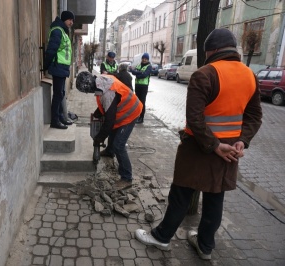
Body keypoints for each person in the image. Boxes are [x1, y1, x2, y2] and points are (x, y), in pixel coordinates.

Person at [134, 28, 262, 260]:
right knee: (215, 197)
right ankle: (205, 246)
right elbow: (254, 116)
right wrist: (242, 140)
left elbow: (195, 118)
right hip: (230, 151)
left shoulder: (205, 74)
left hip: (198, 148)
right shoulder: (249, 75)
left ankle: (162, 237)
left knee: (181, 194)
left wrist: (213, 145)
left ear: (211, 50)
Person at [76, 71, 143, 185]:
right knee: (113, 132)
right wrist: (98, 112)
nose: (88, 93)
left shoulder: (107, 93)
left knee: (119, 145)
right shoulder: (101, 80)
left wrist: (99, 138)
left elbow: (109, 122)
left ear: (90, 87)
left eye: (87, 91)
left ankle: (126, 177)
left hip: (132, 111)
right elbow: (109, 106)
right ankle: (109, 151)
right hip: (124, 109)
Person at [44, 11, 75, 129]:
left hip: (62, 68)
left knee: (61, 93)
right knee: (58, 94)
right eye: (70, 20)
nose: (71, 22)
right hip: (57, 67)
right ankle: (55, 120)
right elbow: (51, 49)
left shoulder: (63, 31)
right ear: (64, 19)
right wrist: (46, 65)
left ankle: (61, 117)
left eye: (72, 20)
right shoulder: (58, 30)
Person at [129, 53, 152, 123]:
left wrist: (137, 74)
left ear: (148, 60)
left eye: (146, 59)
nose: (144, 60)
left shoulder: (149, 66)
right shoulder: (139, 65)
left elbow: (144, 75)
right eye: (143, 58)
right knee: (137, 101)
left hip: (144, 86)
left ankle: (141, 118)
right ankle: (137, 116)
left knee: (142, 101)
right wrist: (139, 73)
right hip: (137, 85)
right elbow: (133, 72)